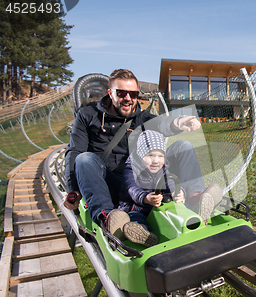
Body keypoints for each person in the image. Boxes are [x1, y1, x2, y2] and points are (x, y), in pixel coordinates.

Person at [63, 69, 221, 244]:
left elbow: (161, 123)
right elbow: (74, 152)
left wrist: (178, 122)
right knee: (84, 159)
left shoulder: (141, 118)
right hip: (106, 183)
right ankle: (109, 219)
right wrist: (73, 190)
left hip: (140, 180)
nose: (128, 98)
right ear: (110, 93)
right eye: (121, 93)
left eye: (133, 94)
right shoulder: (87, 116)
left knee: (183, 146)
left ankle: (195, 198)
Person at [117, 130, 222, 247]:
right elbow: (132, 188)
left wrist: (179, 191)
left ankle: (198, 215)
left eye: (160, 156)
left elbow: (170, 180)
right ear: (141, 155)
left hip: (157, 207)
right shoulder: (131, 170)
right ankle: (144, 234)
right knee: (135, 218)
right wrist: (145, 198)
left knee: (179, 207)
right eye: (150, 155)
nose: (156, 161)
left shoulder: (161, 168)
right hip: (137, 207)